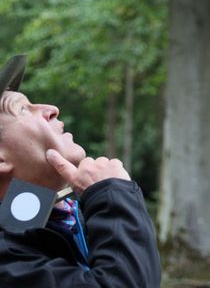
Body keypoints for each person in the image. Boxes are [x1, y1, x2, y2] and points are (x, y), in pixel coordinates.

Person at [0, 54, 161, 287]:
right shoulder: (7, 263)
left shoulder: (63, 218)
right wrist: (113, 196)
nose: (51, 109)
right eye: (23, 110)